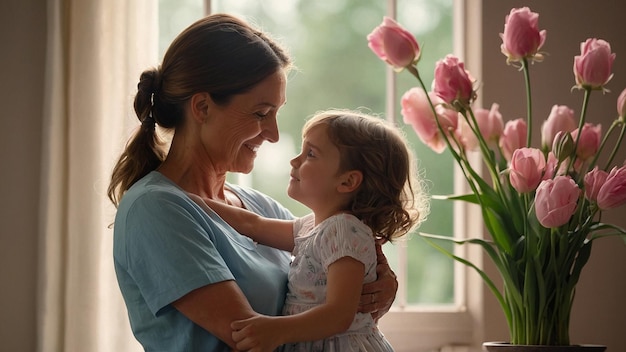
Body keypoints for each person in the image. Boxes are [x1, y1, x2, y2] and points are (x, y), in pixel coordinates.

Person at [107, 14, 399, 351]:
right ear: (202, 107)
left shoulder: (260, 207)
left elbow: (327, 284)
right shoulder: (154, 209)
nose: (274, 135)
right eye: (261, 114)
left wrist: (381, 285)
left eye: (276, 113)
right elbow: (248, 337)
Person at [197, 109, 429, 352]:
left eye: (311, 154)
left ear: (348, 181)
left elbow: (339, 314)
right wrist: (194, 200)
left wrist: (276, 330)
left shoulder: (344, 230)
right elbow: (253, 225)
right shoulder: (313, 226)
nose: (294, 161)